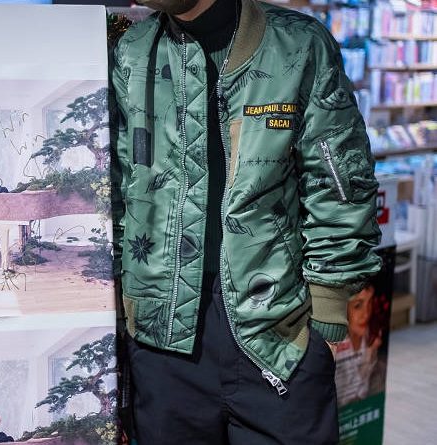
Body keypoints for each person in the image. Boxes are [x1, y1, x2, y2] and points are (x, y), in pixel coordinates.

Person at [110, 0, 382, 443]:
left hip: (279, 332)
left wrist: (327, 316)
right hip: (161, 343)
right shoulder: (133, 51)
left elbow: (340, 184)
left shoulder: (297, 43)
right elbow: (119, 187)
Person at [334, 284, 383, 406]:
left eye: (369, 303)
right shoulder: (334, 345)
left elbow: (369, 382)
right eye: (358, 306)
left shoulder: (372, 334)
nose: (366, 314)